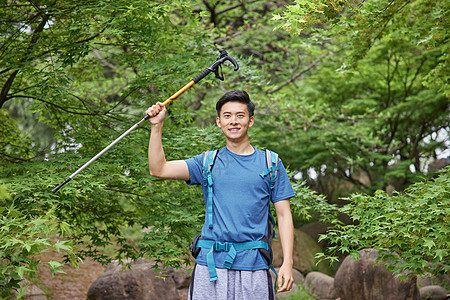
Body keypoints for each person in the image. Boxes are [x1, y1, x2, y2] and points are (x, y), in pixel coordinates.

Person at [146, 90, 295, 299]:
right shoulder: (207, 162)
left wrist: (287, 263)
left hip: (254, 265)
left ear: (250, 121)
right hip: (211, 266)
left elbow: (284, 215)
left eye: (240, 115)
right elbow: (158, 169)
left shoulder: (270, 163)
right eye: (227, 116)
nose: (233, 121)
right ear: (218, 122)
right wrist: (156, 126)